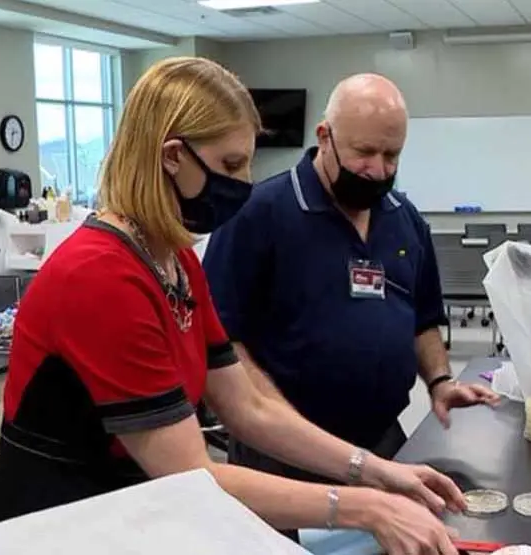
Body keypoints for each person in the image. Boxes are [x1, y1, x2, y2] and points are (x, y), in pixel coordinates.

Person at [0, 58, 468, 555]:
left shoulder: (176, 259)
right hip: (56, 530)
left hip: (128, 517)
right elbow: (191, 471)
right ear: (171, 156)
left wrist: (376, 471)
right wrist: (365, 506)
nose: (245, 182)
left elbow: (248, 406)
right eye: (231, 165)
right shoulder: (100, 275)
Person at [201, 73, 501, 537]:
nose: (379, 170)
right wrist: (271, 419)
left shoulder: (404, 219)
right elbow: (222, 339)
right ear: (325, 137)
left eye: (392, 156)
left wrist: (440, 381)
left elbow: (422, 317)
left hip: (383, 444)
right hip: (283, 457)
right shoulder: (257, 215)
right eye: (364, 153)